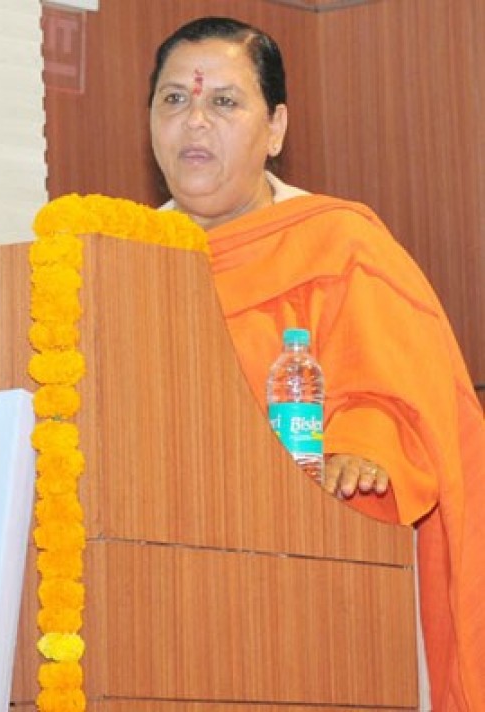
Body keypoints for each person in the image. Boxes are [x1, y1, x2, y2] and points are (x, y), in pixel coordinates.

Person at [149, 16, 484, 711]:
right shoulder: (125, 261)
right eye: (175, 99)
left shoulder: (337, 242)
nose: (195, 122)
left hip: (319, 578)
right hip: (165, 581)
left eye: (223, 101)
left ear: (275, 128)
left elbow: (399, 391)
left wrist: (359, 449)